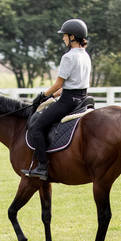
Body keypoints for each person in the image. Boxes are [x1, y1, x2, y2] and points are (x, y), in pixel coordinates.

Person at [24, 18, 92, 180]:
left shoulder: (68, 57)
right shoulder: (86, 55)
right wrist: (51, 95)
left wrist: (43, 95)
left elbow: (58, 84)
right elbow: (72, 85)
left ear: (72, 37)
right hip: (82, 99)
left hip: (67, 102)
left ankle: (42, 167)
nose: (63, 38)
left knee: (37, 127)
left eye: (65, 36)